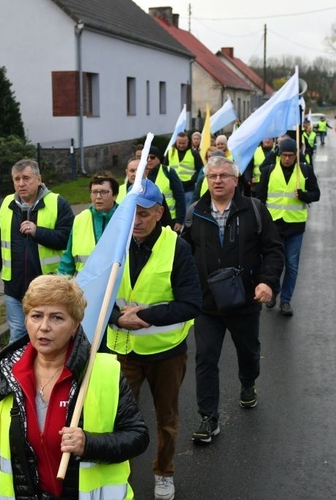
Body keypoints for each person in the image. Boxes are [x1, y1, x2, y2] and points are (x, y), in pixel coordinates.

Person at [0, 275, 150, 499]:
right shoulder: (9, 375)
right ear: (26, 320)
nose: (44, 327)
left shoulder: (104, 373)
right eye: (36, 316)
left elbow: (138, 437)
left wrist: (89, 444)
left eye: (56, 318)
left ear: (74, 325)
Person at [106, 179, 202, 500]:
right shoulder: (113, 243)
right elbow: (92, 294)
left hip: (166, 352)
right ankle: (119, 476)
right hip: (123, 350)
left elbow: (191, 304)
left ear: (159, 212)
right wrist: (116, 319)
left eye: (144, 214)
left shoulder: (177, 247)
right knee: (117, 419)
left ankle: (164, 471)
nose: (136, 221)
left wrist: (144, 317)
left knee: (166, 419)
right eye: (131, 212)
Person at [182, 155, 284, 444]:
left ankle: (248, 381)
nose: (217, 181)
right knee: (205, 358)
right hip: (207, 304)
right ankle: (208, 417)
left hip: (245, 301)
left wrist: (267, 282)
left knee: (249, 352)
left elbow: (274, 250)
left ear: (235, 180)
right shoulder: (195, 212)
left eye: (223, 176)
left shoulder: (254, 210)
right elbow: (184, 256)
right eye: (212, 176)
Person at [0, 159, 74, 343]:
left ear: (39, 179)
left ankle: (45, 370)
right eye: (16, 179)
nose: (21, 184)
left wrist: (38, 232)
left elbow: (67, 239)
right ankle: (16, 371)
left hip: (48, 288)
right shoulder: (4, 205)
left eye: (26, 178)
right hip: (14, 288)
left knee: (47, 336)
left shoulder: (57, 203)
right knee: (18, 335)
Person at [257, 137, 320, 317]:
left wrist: (305, 195)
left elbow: (316, 194)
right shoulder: (269, 171)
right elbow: (260, 198)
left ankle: (286, 301)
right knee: (272, 261)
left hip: (295, 226)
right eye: (284, 155)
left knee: (291, 265)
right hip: (273, 226)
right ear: (279, 155)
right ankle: (273, 290)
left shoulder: (305, 171)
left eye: (291, 156)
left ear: (296, 156)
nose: (287, 159)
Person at [57, 171, 119, 276]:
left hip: (116, 286)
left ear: (115, 195)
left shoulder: (124, 219)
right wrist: (60, 283)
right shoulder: (80, 219)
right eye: (94, 192)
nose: (98, 196)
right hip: (84, 286)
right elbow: (68, 258)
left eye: (104, 192)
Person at [146, 146, 186, 232]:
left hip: (171, 219)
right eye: (146, 157)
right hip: (151, 220)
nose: (149, 159)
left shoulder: (168, 171)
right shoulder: (141, 175)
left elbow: (180, 196)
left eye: (152, 157)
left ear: (158, 158)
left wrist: (179, 220)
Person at [165, 131, 204, 210]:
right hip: (173, 187)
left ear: (188, 142)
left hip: (188, 188)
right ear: (176, 142)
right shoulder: (170, 152)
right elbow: (165, 168)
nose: (181, 145)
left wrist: (192, 180)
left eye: (184, 143)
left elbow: (200, 170)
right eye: (179, 143)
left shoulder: (194, 153)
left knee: (188, 210)